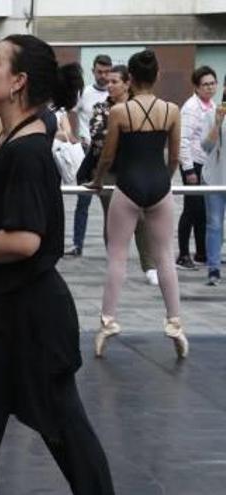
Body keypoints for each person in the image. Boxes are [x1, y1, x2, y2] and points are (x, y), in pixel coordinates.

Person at [0, 34, 113, 494]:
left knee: (68, 436)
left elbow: (23, 240)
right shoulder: (14, 143)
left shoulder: (30, 152)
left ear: (17, 82)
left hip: (30, 322)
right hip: (3, 319)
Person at [87, 49, 187, 359]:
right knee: (165, 256)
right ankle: (174, 323)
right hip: (159, 184)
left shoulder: (120, 112)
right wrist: (165, 179)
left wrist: (99, 180)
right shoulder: (171, 110)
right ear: (157, 76)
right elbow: (173, 156)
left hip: (127, 185)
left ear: (129, 79)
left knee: (117, 256)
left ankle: (108, 322)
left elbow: (107, 155)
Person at [75, 65, 159, 285]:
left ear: (127, 83)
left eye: (115, 82)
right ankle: (116, 262)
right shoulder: (101, 108)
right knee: (113, 216)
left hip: (134, 168)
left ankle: (149, 266)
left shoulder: (137, 107)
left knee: (141, 217)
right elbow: (100, 139)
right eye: (108, 82)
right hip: (107, 170)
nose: (109, 85)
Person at [66, 54, 111, 256]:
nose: (103, 75)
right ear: (93, 71)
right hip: (87, 152)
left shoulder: (116, 93)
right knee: (83, 200)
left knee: (111, 203)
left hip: (110, 153)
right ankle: (77, 244)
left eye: (107, 71)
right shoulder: (84, 93)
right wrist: (75, 136)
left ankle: (113, 246)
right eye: (100, 71)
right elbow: (71, 112)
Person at [177, 66, 218, 269]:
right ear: (197, 87)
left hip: (206, 164)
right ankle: (183, 255)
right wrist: (189, 169)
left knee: (203, 211)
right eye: (205, 85)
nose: (210, 88)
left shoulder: (211, 105)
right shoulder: (191, 108)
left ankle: (202, 253)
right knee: (191, 210)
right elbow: (182, 139)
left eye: (212, 83)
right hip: (192, 164)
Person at [202, 80, 226, 285]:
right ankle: (213, 268)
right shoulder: (212, 114)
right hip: (215, 179)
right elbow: (206, 146)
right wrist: (218, 123)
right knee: (215, 224)